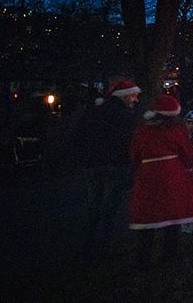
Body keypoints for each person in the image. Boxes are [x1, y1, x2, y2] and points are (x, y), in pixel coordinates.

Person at [128, 94, 193, 266]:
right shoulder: (177, 130)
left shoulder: (142, 130)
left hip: (148, 175)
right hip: (172, 174)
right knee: (172, 214)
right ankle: (169, 256)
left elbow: (134, 154)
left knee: (148, 213)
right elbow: (187, 152)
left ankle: (143, 259)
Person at [72, 79, 141, 260]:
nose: (135, 99)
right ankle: (103, 247)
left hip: (92, 165)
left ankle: (86, 245)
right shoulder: (126, 117)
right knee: (110, 207)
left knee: (93, 204)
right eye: (133, 96)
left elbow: (79, 135)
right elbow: (131, 142)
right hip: (115, 165)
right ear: (125, 96)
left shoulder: (94, 112)